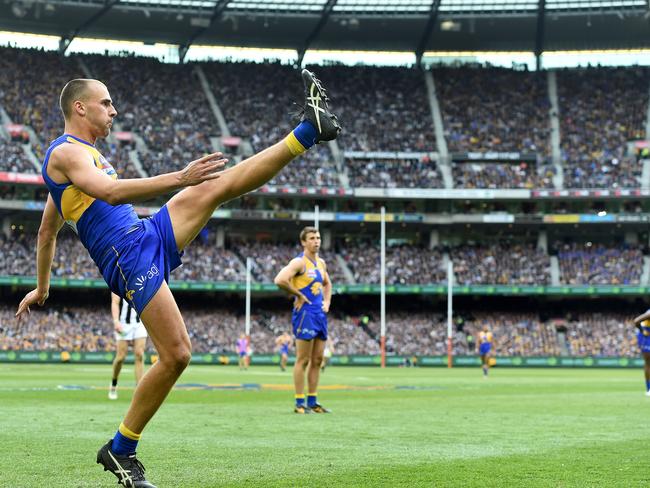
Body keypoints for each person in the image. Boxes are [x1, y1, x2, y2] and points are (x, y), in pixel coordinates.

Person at [15, 70, 340, 487]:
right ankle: (120, 450)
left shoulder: (81, 158)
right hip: (127, 255)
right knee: (178, 354)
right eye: (106, 103)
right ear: (79, 107)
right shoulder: (64, 152)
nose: (113, 110)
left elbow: (47, 231)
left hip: (143, 234)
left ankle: (306, 132)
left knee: (216, 187)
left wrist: (42, 288)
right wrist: (178, 178)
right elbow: (110, 194)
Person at [274, 227, 332, 414]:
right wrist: (298, 294)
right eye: (312, 238)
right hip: (305, 314)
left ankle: (312, 402)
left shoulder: (321, 263)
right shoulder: (299, 262)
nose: (317, 241)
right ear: (303, 242)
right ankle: (299, 403)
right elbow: (280, 279)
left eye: (318, 237)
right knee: (303, 359)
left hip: (319, 315)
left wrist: (327, 302)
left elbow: (327, 283)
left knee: (317, 360)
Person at [109, 292, 147, 400]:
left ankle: (139, 390)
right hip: (123, 324)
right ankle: (114, 383)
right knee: (121, 357)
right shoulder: (119, 278)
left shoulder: (141, 279)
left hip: (140, 323)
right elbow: (115, 302)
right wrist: (116, 321)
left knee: (139, 354)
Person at [632, 309, 650, 396]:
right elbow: (636, 321)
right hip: (647, 336)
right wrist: (643, 331)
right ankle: (649, 389)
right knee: (648, 363)